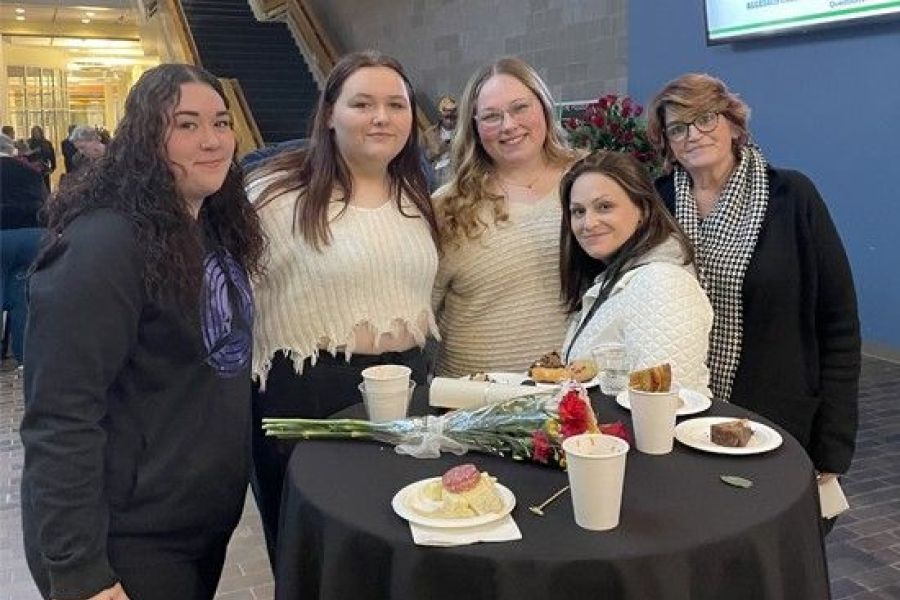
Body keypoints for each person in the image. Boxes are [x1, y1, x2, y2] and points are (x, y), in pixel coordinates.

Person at [20, 63, 265, 600]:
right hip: (126, 542)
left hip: (193, 525)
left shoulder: (209, 226)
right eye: (186, 125)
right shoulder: (103, 246)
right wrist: (81, 572)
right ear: (144, 140)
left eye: (221, 123)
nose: (212, 140)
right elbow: (61, 415)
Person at [246, 50, 440, 565]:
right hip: (309, 392)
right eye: (363, 103)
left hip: (405, 387)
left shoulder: (418, 194)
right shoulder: (274, 192)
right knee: (314, 555)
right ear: (329, 113)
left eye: (396, 105)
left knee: (395, 540)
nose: (382, 117)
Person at [647, 73, 860, 482]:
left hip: (776, 418)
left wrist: (832, 444)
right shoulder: (656, 203)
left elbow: (839, 323)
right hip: (675, 415)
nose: (693, 134)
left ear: (733, 123)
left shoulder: (792, 197)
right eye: (678, 127)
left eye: (705, 118)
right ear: (667, 143)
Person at [432, 56, 579, 376]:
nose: (509, 125)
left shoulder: (590, 183)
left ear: (543, 106)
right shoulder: (447, 207)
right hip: (472, 403)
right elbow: (421, 313)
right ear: (473, 127)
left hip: (570, 397)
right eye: (491, 116)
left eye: (519, 108)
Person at [559, 150, 712, 394]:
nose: (588, 223)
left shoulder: (662, 283)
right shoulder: (616, 279)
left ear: (642, 209)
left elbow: (661, 405)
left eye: (604, 206)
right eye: (578, 211)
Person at [0, 133, 48, 366]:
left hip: (2, 235)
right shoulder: (30, 172)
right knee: (22, 297)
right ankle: (23, 355)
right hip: (33, 235)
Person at [422, 95, 458, 185]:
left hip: (458, 175)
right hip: (436, 178)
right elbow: (422, 160)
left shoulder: (465, 132)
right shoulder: (429, 134)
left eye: (452, 117)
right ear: (441, 115)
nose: (450, 121)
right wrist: (436, 151)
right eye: (447, 117)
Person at [26, 125, 57, 190]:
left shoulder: (46, 143)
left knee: (45, 186)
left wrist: (53, 167)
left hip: (44, 168)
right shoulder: (29, 143)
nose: (36, 134)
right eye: (34, 133)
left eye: (37, 132)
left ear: (41, 132)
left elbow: (52, 155)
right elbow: (26, 154)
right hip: (33, 168)